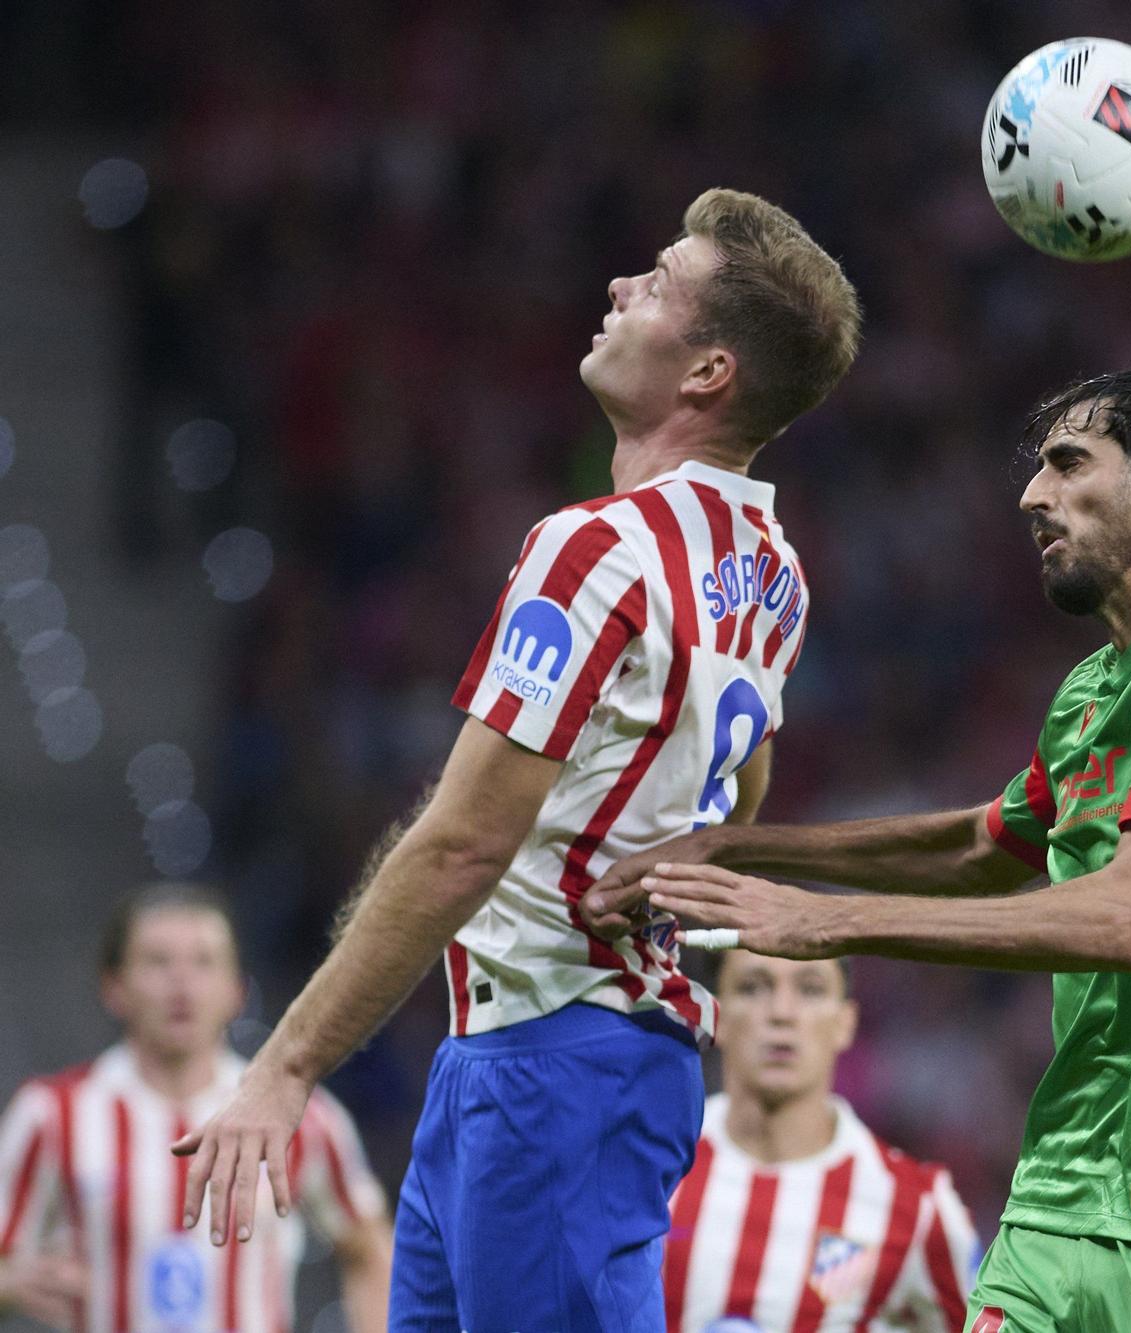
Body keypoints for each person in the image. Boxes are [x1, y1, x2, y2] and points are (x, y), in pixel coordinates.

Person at [175, 188, 863, 1333]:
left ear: (707, 373)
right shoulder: (772, 568)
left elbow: (463, 844)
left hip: (557, 1062)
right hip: (551, 1059)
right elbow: (740, 779)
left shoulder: (595, 548)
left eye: (656, 282)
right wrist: (687, 859)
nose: (619, 287)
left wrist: (285, 1066)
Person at [585, 352, 1131, 1332]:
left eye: (1069, 462)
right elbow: (983, 848)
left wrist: (825, 922)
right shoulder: (1093, 690)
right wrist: (739, 851)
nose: (1032, 496)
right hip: (1062, 1194)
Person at [0, 883, 391, 1333]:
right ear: (114, 987)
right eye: (158, 962)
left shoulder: (299, 1116)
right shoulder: (52, 1115)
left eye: (203, 962)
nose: (181, 982)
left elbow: (371, 1249)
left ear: (237, 991)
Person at [665, 951, 977, 1331]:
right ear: (715, 1013)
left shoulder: (917, 1206)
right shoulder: (652, 1168)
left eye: (810, 989)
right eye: (752, 988)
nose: (781, 1013)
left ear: (845, 1022)